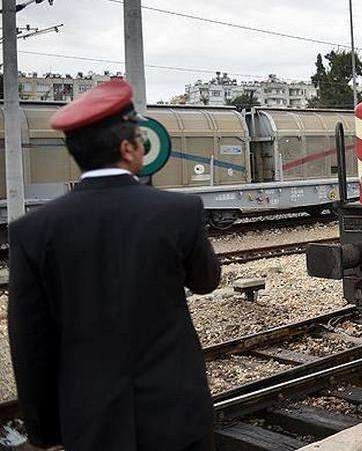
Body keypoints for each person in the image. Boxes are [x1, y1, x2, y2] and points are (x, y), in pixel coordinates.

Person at [7, 79, 221, 450]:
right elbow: (207, 281)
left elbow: (29, 343)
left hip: (91, 422)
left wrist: (45, 432)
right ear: (127, 149)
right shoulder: (179, 211)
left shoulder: (31, 231)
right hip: (177, 415)